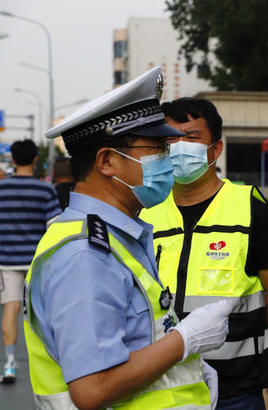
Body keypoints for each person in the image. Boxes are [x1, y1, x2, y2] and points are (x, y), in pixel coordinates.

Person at [25, 67, 234, 409]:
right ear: (107, 161)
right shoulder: (85, 256)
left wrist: (187, 372)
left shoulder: (117, 236)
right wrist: (186, 340)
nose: (169, 160)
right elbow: (93, 389)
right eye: (156, 148)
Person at [139, 97, 268, 410]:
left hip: (235, 389)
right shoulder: (146, 212)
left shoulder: (250, 206)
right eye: (171, 139)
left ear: (216, 149)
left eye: (192, 137)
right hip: (163, 386)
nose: (180, 146)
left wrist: (245, 345)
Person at [0, 139, 61, 384]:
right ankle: (54, 362)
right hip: (38, 261)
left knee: (11, 308)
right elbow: (54, 228)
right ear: (36, 160)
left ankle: (10, 364)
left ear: (13, 160)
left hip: (6, 261)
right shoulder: (45, 190)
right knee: (44, 311)